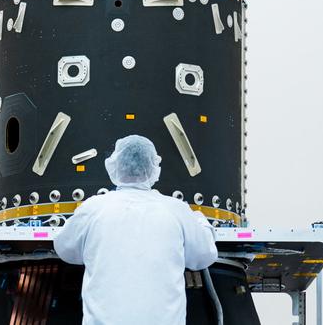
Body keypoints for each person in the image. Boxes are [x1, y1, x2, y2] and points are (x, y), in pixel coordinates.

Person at [53, 135, 218, 325]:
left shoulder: (94, 208)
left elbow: (65, 249)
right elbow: (203, 256)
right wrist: (201, 221)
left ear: (114, 166)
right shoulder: (176, 210)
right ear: (154, 167)